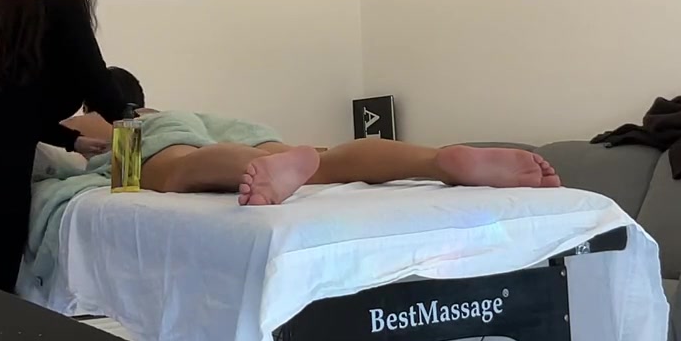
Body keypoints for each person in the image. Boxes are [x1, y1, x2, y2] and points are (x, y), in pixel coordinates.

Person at [66, 68, 562, 207]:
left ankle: (255, 172)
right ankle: (435, 160)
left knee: (176, 170)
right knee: (330, 161)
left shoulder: (100, 118)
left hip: (155, 138)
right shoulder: (183, 111)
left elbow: (55, 158)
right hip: (236, 129)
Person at [0, 0, 130, 292]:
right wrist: (139, 126)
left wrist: (72, 140)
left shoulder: (2, 18)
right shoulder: (62, 3)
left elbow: (7, 110)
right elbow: (98, 83)